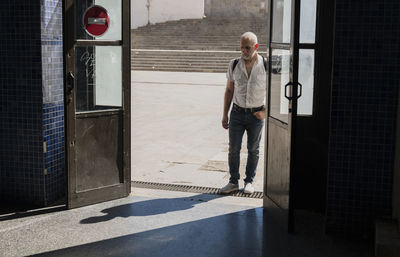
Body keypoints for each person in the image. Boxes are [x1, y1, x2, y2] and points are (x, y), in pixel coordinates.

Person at [220, 32, 266, 194]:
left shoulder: (265, 65)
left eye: (247, 48)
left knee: (253, 149)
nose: (244, 51)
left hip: (256, 115)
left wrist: (265, 111)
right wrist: (225, 114)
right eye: (242, 48)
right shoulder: (234, 64)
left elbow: (275, 91)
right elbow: (229, 90)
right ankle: (233, 181)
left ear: (256, 47)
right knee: (233, 149)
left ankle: (249, 181)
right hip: (237, 113)